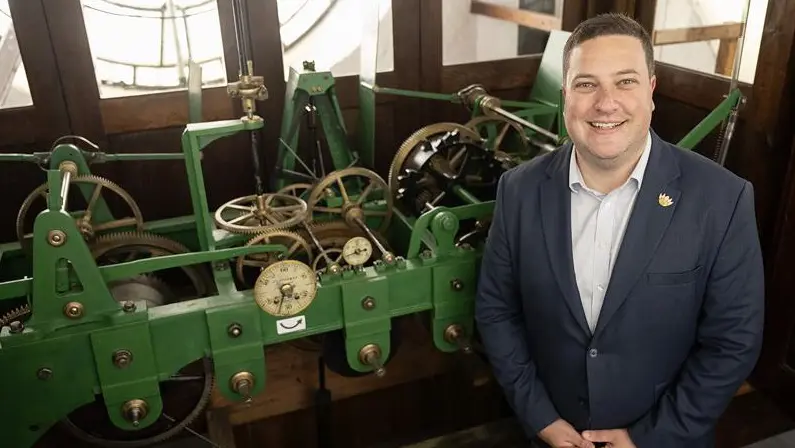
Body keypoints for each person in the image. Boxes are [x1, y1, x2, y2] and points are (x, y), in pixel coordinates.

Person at [474, 12, 765, 448]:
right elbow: (497, 311)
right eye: (586, 83)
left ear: (651, 90)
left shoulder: (722, 199)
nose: (605, 103)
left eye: (625, 81)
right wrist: (541, 418)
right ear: (565, 95)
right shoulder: (518, 190)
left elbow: (734, 341)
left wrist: (648, 438)